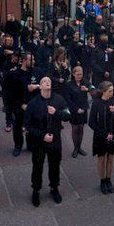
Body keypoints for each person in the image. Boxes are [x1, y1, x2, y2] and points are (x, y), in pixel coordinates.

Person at [24, 76, 70, 207]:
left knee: (55, 165)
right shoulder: (33, 103)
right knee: (37, 166)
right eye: (44, 81)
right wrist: (42, 136)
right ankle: (36, 190)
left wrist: (57, 113)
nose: (47, 82)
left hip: (55, 139)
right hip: (39, 141)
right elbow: (27, 125)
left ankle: (54, 187)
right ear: (40, 86)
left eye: (49, 81)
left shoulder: (59, 99)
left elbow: (67, 115)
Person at [89, 81, 114, 194]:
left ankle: (108, 180)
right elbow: (91, 122)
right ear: (103, 92)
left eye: (112, 90)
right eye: (110, 91)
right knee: (101, 159)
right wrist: (104, 134)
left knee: (110, 158)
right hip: (101, 135)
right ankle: (102, 181)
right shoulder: (96, 103)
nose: (112, 93)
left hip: (113, 134)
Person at [64, 66, 90, 158]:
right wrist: (76, 109)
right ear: (73, 74)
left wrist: (87, 89)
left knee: (81, 129)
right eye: (78, 74)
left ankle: (79, 147)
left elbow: (94, 89)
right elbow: (68, 99)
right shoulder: (69, 84)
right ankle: (75, 148)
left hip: (83, 109)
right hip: (74, 110)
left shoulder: (85, 82)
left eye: (81, 74)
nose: (79, 76)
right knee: (75, 129)